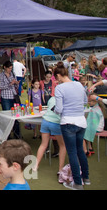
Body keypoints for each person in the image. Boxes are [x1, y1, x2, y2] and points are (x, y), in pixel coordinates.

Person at [54, 62, 90, 190]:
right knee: (80, 150)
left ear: (58, 75)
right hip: (81, 122)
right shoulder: (79, 84)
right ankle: (86, 177)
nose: (56, 80)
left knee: (72, 153)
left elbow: (58, 108)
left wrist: (56, 110)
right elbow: (85, 101)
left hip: (68, 122)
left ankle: (78, 183)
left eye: (56, 77)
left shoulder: (59, 88)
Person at [33, 97, 67, 174]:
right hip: (56, 123)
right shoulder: (65, 100)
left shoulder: (52, 98)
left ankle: (36, 165)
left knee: (43, 144)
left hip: (45, 121)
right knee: (62, 146)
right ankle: (60, 169)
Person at [0, 61, 20, 138]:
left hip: (13, 96)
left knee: (16, 116)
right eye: (9, 68)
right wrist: (10, 84)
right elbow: (1, 87)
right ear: (5, 67)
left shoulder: (13, 74)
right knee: (7, 116)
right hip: (5, 97)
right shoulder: (1, 75)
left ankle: (17, 134)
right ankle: (7, 135)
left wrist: (16, 83)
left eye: (11, 68)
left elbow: (16, 87)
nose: (10, 70)